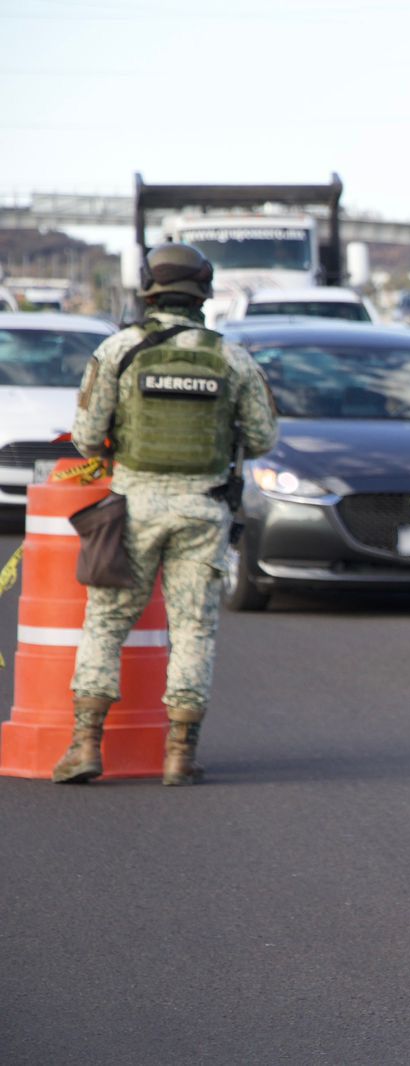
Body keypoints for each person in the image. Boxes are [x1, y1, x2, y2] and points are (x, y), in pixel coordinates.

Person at [54, 242, 278, 787]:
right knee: (194, 629)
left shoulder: (116, 351)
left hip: (133, 508)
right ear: (202, 292)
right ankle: (179, 754)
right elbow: (264, 438)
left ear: (148, 289)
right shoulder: (231, 358)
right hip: (203, 510)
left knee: (107, 622)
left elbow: (85, 438)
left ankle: (86, 745)